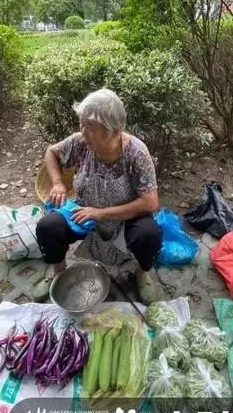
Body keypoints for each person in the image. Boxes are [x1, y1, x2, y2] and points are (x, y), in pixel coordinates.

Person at [36, 88, 163, 304]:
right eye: (82, 123)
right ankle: (58, 272)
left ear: (113, 130)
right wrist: (57, 183)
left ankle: (142, 274)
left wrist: (101, 213)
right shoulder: (81, 142)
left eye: (90, 127)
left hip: (124, 218)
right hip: (85, 210)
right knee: (48, 227)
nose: (83, 131)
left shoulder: (136, 153)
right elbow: (52, 152)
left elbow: (150, 203)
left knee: (149, 234)